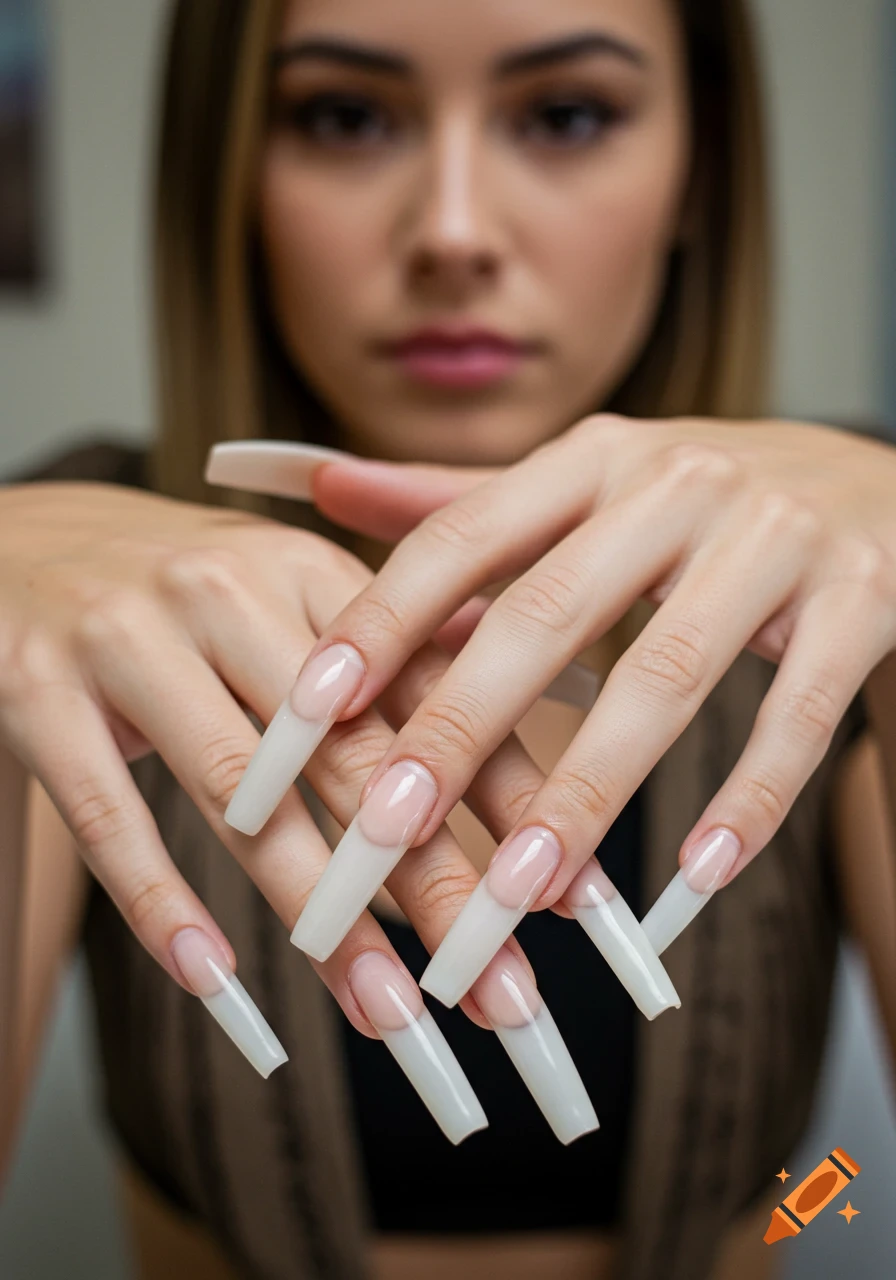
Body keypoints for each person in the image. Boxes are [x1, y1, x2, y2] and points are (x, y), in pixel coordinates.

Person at [1, 1, 894, 1279]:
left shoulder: (847, 582)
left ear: (698, 170)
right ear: (231, 167)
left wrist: (809, 1215)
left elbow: (842, 1179)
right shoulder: (73, 595)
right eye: (345, 117)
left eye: (566, 114)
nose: (454, 233)